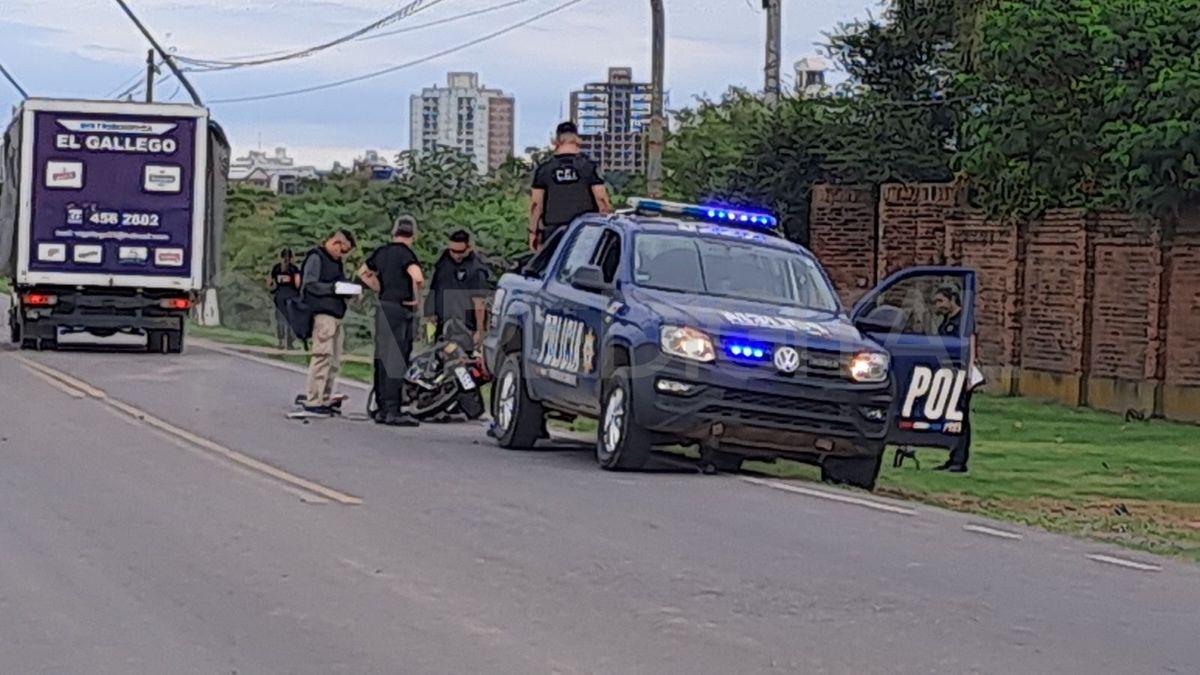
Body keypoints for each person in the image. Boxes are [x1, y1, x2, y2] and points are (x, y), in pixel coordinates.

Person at [359, 215, 424, 427]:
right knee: (397, 358)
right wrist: (416, 298)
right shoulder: (406, 254)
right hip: (400, 308)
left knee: (382, 356)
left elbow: (363, 272)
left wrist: (379, 287)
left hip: (383, 306)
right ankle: (393, 409)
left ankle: (381, 407)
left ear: (393, 233)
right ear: (413, 235)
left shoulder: (382, 252)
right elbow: (418, 276)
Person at [529, 121, 612, 251]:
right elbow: (601, 199)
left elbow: (536, 205)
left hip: (553, 233)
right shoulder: (589, 166)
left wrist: (533, 232)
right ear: (577, 139)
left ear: (556, 140)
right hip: (585, 231)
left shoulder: (544, 169)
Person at [300, 229, 356, 416]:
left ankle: (325, 396)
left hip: (337, 314)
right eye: (343, 250)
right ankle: (314, 397)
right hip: (323, 314)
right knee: (322, 356)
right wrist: (333, 288)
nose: (343, 255)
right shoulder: (316, 258)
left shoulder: (337, 263)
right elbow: (310, 285)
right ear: (335, 243)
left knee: (334, 359)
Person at [931, 284, 975, 473]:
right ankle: (952, 458)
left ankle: (959, 460)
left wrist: (968, 373)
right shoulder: (946, 321)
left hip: (961, 373)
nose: (937, 305)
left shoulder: (964, 321)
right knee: (952, 416)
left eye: (940, 301)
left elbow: (971, 346)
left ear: (952, 300)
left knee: (961, 417)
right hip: (947, 373)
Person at [424, 229, 490, 348]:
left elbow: (479, 303)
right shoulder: (444, 262)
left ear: (469, 248)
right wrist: (429, 314)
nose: (455, 255)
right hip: (442, 326)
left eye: (460, 252)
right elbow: (435, 288)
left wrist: (480, 331)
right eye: (452, 251)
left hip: (465, 328)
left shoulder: (476, 269)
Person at [267, 248, 300, 350]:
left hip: (280, 295)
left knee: (280, 319)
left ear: (281, 257)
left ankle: (281, 342)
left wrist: (272, 289)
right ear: (291, 258)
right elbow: (298, 283)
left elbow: (269, 283)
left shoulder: (276, 268)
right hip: (292, 296)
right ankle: (290, 343)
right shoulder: (294, 269)